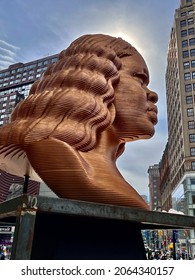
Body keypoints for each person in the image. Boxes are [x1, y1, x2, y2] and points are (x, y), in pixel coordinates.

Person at [0, 34, 158, 209]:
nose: (152, 94)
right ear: (100, 78)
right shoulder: (50, 149)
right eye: (140, 79)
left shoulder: (98, 170)